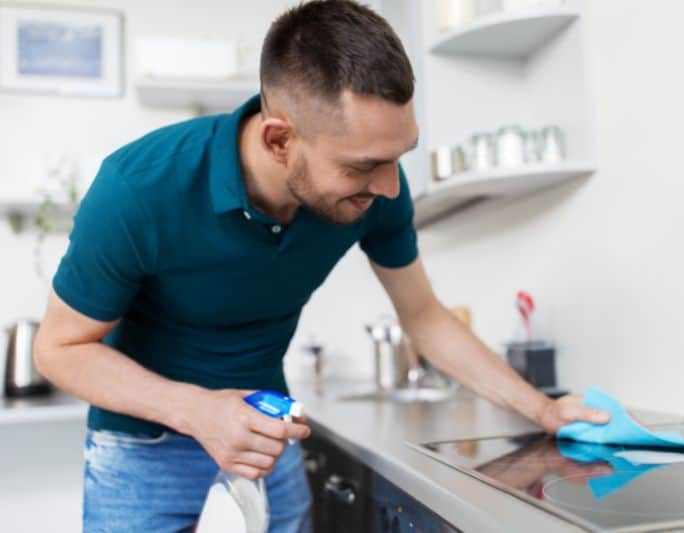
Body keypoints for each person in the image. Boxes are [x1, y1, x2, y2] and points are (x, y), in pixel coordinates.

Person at [33, 1, 610, 531]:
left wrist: (543, 409)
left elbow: (425, 316)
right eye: (364, 166)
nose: (388, 187)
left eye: (398, 158)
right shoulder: (139, 189)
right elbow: (59, 348)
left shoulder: (378, 187)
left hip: (268, 439)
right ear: (280, 138)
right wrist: (199, 411)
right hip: (143, 452)